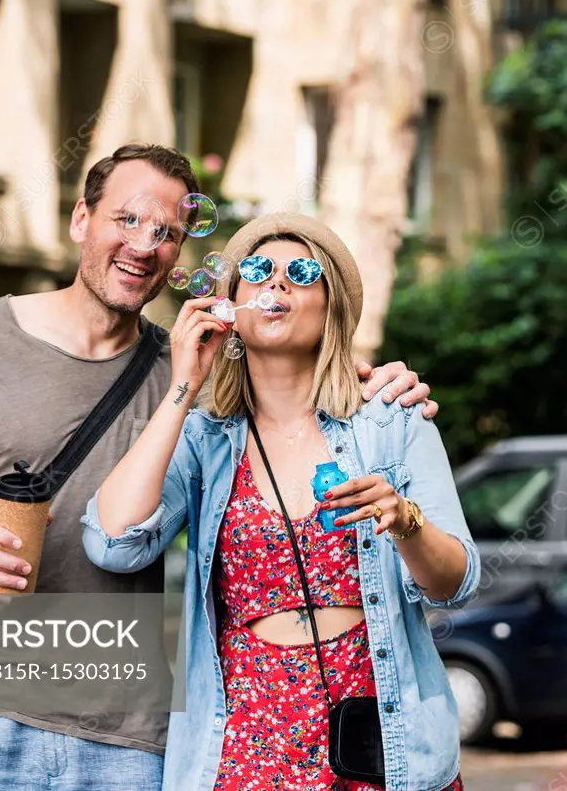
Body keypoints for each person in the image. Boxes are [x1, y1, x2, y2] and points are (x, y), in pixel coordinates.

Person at [0, 144, 437, 790]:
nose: (145, 244)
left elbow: (302, 383)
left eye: (168, 232)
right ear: (82, 218)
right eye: (127, 220)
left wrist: (382, 380)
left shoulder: (196, 368)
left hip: (128, 737)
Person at [83, 212, 481, 791]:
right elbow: (112, 542)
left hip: (377, 735)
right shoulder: (205, 441)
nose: (277, 284)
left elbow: (457, 583)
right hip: (245, 738)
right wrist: (184, 385)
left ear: (331, 307)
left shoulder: (390, 424)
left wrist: (405, 523)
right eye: (257, 271)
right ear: (233, 307)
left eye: (301, 272)